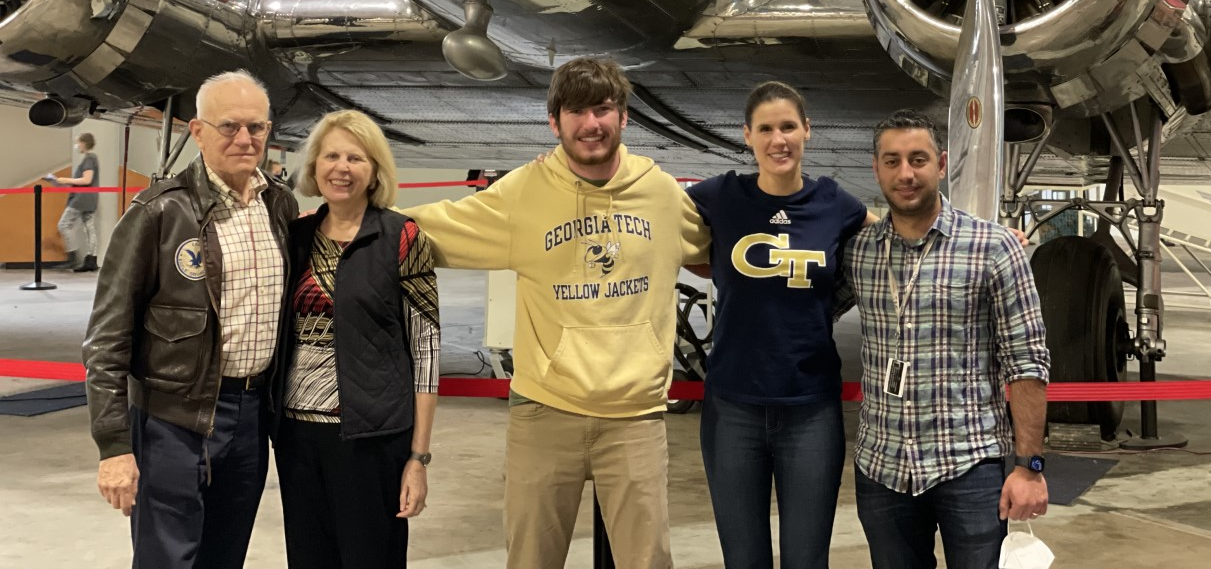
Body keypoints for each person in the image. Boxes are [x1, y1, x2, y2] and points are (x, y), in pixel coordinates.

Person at [402, 56, 710, 569]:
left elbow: (725, 247)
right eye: (576, 111)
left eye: (603, 109)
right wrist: (336, 222)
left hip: (634, 419)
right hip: (545, 413)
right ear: (555, 121)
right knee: (531, 560)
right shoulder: (523, 193)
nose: (591, 124)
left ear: (624, 117)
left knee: (647, 561)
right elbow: (429, 228)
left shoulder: (659, 193)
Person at [82, 70, 298, 569]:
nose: (245, 139)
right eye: (229, 127)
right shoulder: (158, 213)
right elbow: (107, 337)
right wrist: (113, 445)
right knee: (168, 558)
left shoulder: (280, 206)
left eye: (257, 127)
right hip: (173, 418)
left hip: (252, 415)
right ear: (198, 132)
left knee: (226, 554)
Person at [835, 109, 1051, 569]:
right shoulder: (859, 253)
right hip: (883, 468)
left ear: (941, 164)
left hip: (968, 465)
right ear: (876, 169)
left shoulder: (993, 247)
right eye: (892, 161)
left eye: (918, 159)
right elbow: (800, 306)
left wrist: (1029, 467)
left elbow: (1027, 363)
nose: (906, 173)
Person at [686, 81, 870, 569]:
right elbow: (646, 201)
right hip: (732, 410)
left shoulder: (834, 203)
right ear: (747, 136)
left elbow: (900, 226)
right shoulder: (722, 195)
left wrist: (985, 234)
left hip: (810, 411)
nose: (778, 139)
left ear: (807, 131)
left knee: (807, 560)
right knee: (743, 559)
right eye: (765, 129)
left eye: (788, 126)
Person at [275, 110, 439, 568]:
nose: (340, 168)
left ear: (375, 171)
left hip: (372, 440)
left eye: (355, 157)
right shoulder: (296, 236)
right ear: (313, 166)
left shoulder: (402, 238)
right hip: (297, 437)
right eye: (330, 156)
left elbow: (426, 351)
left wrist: (418, 458)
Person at [50, 132, 100, 272]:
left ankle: (73, 257)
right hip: (89, 198)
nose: (77, 145)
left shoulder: (89, 159)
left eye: (79, 142)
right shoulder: (91, 158)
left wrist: (66, 180)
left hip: (81, 199)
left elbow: (86, 180)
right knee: (89, 228)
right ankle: (91, 259)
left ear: (84, 143)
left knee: (64, 224)